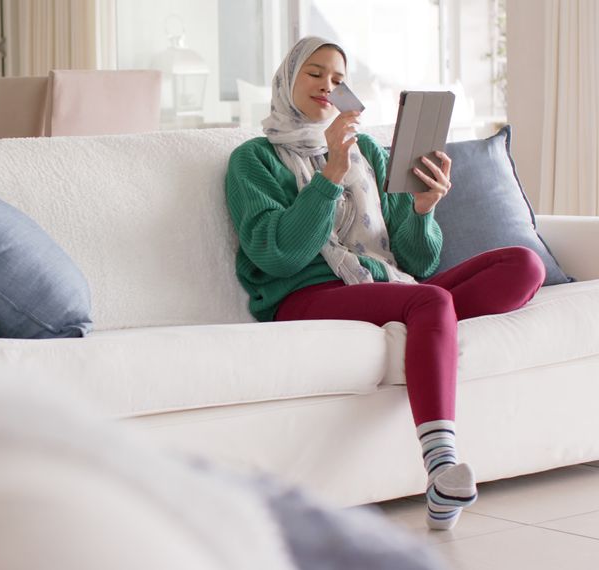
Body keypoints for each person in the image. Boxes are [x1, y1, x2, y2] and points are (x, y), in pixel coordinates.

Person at [225, 36, 545, 530]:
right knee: (430, 301)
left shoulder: (369, 150)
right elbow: (280, 254)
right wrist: (329, 174)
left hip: (385, 284)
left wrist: (423, 208)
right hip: (306, 294)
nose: (327, 86)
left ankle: (425, 331)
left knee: (524, 265)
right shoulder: (254, 160)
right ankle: (441, 469)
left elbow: (418, 258)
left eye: (337, 78)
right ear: (287, 80)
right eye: (314, 73)